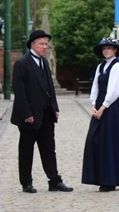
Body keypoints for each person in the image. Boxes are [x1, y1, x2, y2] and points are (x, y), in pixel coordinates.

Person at [10, 30, 73, 193]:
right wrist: (27, 114)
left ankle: (54, 181)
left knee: (48, 148)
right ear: (32, 44)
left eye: (46, 44)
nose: (45, 47)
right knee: (26, 150)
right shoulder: (22, 63)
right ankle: (26, 182)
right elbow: (20, 92)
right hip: (29, 116)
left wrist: (55, 107)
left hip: (46, 114)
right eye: (41, 44)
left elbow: (49, 87)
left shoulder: (44, 62)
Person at [81, 38, 119, 192]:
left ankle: (111, 179)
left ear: (115, 50)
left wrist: (103, 107)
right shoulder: (100, 66)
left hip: (111, 108)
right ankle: (98, 176)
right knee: (95, 140)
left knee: (110, 142)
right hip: (98, 107)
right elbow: (95, 87)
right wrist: (93, 105)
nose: (106, 51)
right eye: (104, 49)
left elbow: (114, 90)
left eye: (109, 48)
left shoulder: (118, 67)